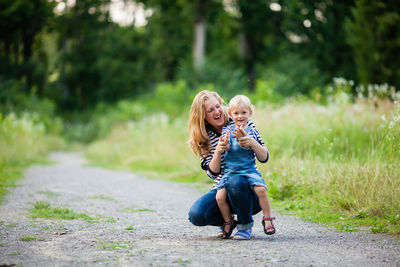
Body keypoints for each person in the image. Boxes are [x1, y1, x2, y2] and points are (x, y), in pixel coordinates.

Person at [187, 90, 270, 240]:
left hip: (248, 187)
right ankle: (229, 221)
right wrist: (218, 151)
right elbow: (212, 174)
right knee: (196, 214)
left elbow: (264, 157)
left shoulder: (239, 118)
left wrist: (252, 142)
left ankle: (245, 225)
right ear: (202, 116)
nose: (217, 112)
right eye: (210, 110)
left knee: (236, 181)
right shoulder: (203, 136)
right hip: (223, 187)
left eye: (217, 106)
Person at [215, 95, 275, 239]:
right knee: (219, 197)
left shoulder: (252, 130)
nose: (240, 116)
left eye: (243, 113)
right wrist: (224, 147)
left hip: (248, 170)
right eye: (236, 113)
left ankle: (267, 218)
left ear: (250, 113)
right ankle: (228, 221)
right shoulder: (226, 130)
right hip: (230, 172)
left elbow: (259, 152)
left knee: (261, 189)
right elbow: (223, 149)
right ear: (230, 114)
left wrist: (248, 143)